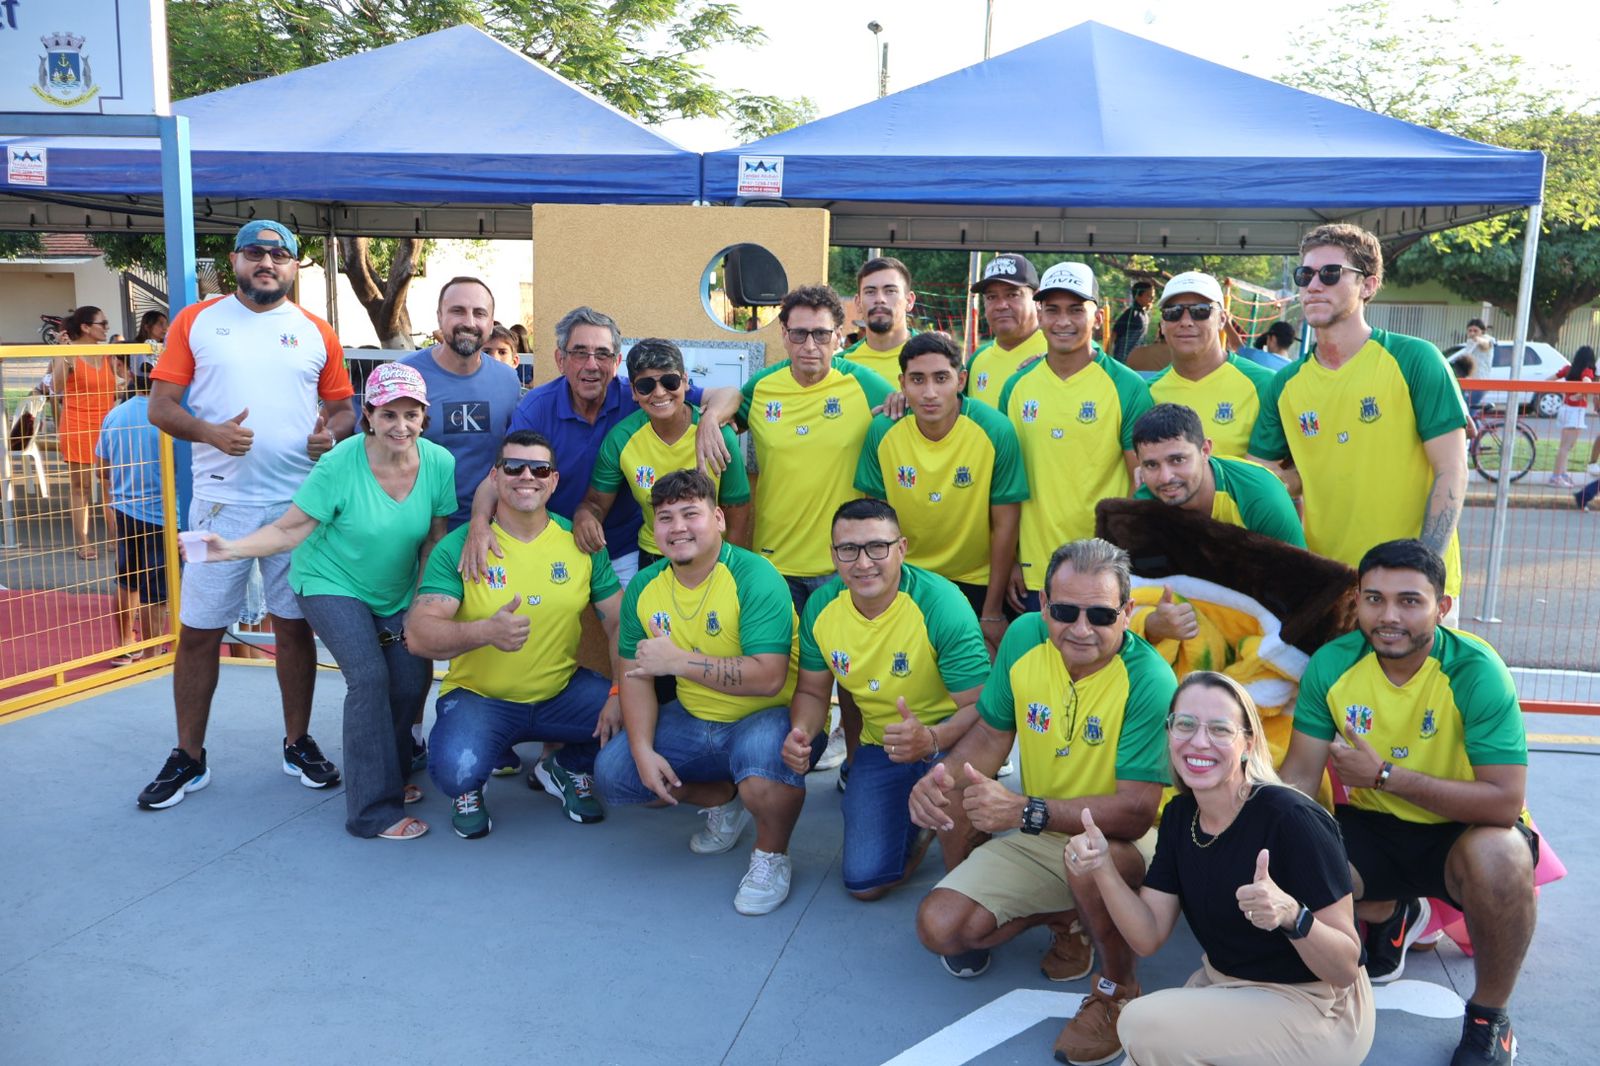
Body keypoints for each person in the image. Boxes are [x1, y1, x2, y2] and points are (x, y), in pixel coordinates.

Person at [909, 538, 1175, 1066]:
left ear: (1127, 612)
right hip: (1042, 824)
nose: (1080, 628)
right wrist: (938, 781)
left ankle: (1118, 989)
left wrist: (1027, 810)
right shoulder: (1025, 639)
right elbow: (989, 735)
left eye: (1101, 613)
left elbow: (1135, 811)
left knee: (1086, 853)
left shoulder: (1150, 680)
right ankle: (1066, 918)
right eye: (1064, 610)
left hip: (1129, 843)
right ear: (1042, 605)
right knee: (942, 926)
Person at [1280, 539, 1536, 1066]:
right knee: (1294, 851)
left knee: (1504, 858)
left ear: (1441, 608)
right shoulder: (1333, 664)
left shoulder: (1475, 670)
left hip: (1462, 830)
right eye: (1374, 599)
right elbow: (1299, 780)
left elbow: (1504, 803)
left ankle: (1491, 1016)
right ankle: (1388, 909)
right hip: (1373, 827)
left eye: (1409, 601)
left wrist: (1386, 776)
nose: (1389, 616)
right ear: (1358, 601)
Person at [185, 363, 455, 840]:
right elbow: (290, 529)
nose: (400, 426)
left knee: (412, 676)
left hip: (396, 587)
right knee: (369, 677)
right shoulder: (337, 465)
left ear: (424, 417)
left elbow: (435, 538)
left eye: (411, 414)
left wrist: (422, 601)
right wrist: (231, 548)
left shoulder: (438, 462)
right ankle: (372, 811)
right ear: (368, 414)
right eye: (388, 414)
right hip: (330, 580)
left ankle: (388, 775)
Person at [140, 219, 357, 811]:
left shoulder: (316, 331)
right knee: (200, 631)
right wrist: (207, 431)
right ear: (235, 260)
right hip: (220, 504)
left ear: (293, 267)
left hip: (298, 504)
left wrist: (329, 437)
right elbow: (161, 405)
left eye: (280, 254)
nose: (268, 262)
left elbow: (343, 409)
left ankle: (297, 742)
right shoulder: (196, 320)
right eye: (256, 253)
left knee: (294, 627)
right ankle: (189, 755)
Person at [1068, 672, 1373, 1066]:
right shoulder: (1180, 816)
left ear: (1247, 743)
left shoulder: (1292, 819)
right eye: (1186, 725)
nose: (1199, 741)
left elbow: (1345, 967)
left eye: (1219, 729)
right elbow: (1147, 936)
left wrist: (1292, 916)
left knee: (1141, 1024)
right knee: (1146, 1051)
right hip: (1226, 985)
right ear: (1170, 732)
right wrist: (1103, 867)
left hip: (1317, 1005)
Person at [595, 469, 817, 915]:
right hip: (695, 718)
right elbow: (636, 674)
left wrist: (678, 662)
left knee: (763, 773)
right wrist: (641, 750)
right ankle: (722, 798)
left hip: (767, 715)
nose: (677, 527)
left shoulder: (755, 577)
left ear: (718, 517)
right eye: (665, 517)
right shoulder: (645, 585)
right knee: (616, 774)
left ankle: (771, 856)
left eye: (690, 514)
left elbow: (768, 677)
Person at [407, 431, 625, 837]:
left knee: (639, 709)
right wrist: (485, 631)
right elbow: (418, 635)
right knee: (455, 771)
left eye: (539, 468)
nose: (528, 476)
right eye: (514, 467)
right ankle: (470, 788)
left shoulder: (579, 543)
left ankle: (564, 766)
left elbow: (617, 621)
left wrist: (617, 694)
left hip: (560, 693)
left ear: (554, 480)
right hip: (480, 697)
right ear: (495, 476)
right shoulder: (462, 546)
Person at [1247, 223, 1470, 613]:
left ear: (1368, 285)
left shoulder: (1415, 359)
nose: (1314, 285)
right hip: (1330, 589)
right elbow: (1262, 487)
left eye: (1330, 274)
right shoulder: (1284, 384)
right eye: (1306, 275)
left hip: (1412, 592)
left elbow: (1451, 470)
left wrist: (1426, 572)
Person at [783, 499, 990, 899]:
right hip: (885, 747)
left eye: (877, 547)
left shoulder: (940, 604)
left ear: (902, 548)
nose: (863, 563)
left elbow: (982, 708)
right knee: (866, 884)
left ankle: (962, 822)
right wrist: (801, 732)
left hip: (954, 743)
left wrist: (931, 739)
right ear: (833, 555)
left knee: (962, 847)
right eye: (848, 550)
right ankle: (923, 827)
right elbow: (811, 689)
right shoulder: (822, 609)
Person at [499, 306, 727, 589]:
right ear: (560, 359)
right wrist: (478, 526)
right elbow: (505, 474)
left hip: (623, 546)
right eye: (580, 353)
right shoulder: (536, 409)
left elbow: (726, 394)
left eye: (603, 354)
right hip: (552, 538)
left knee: (630, 622)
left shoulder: (645, 393)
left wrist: (711, 419)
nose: (592, 364)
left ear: (616, 361)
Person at [855, 330, 1028, 650]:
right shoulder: (883, 431)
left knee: (975, 685)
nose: (930, 392)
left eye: (941, 378)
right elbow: (876, 526)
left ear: (961, 380)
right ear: (902, 383)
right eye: (918, 380)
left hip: (975, 580)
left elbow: (1006, 525)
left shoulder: (995, 430)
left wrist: (991, 612)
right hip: (907, 579)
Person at [1000, 262, 1153, 611]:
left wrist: (1129, 565)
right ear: (1039, 315)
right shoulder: (1016, 387)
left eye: (1075, 310)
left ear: (1097, 317)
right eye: (1052, 310)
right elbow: (1004, 487)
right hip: (1032, 572)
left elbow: (1141, 486)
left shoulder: (1127, 386)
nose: (1062, 321)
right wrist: (1009, 559)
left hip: (1102, 576)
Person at [576, 338, 751, 564]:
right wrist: (585, 516)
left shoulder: (717, 434)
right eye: (646, 386)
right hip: (654, 554)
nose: (659, 393)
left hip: (711, 555)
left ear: (685, 382)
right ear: (634, 392)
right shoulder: (621, 439)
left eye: (670, 381)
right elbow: (595, 504)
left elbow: (737, 508)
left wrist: (730, 567)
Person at [400, 277, 522, 529]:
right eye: (457, 311)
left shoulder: (508, 380)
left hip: (490, 525)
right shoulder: (406, 374)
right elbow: (373, 446)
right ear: (439, 316)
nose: (469, 322)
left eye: (479, 313)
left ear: (490, 322)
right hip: (415, 528)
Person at [1131, 403, 1304, 548]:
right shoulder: (1146, 500)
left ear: (1205, 450)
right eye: (1151, 465)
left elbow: (1301, 578)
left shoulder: (1262, 498)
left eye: (1177, 460)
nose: (1165, 477)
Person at [1147, 272, 1277, 459]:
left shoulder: (1264, 385)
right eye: (1173, 312)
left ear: (1222, 319)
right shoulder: (1148, 392)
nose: (1185, 322)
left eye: (1200, 311)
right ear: (1162, 325)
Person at [95, 371, 168, 666]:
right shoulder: (166, 416)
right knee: (157, 589)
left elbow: (102, 468)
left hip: (125, 508)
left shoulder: (115, 415)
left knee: (127, 581)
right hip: (161, 512)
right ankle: (153, 651)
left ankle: (126, 643)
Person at [49, 305, 126, 560]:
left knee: (109, 483)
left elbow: (122, 384)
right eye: (102, 324)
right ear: (85, 327)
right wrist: (63, 353)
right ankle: (83, 541)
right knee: (80, 486)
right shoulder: (71, 352)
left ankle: (115, 536)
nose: (106, 328)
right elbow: (58, 386)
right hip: (77, 425)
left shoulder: (107, 354)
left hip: (106, 427)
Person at [965, 253, 1045, 411]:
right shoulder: (977, 360)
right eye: (991, 297)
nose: (1001, 305)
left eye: (1012, 295)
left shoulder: (1058, 355)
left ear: (1037, 300)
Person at [837, 256, 919, 383]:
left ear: (909, 301)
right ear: (858, 303)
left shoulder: (938, 359)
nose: (879, 299)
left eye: (890, 291)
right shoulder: (840, 366)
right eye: (870, 292)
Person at [1549, 344, 1595, 488]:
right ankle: (1556, 476)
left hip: (1565, 408)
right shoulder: (1587, 371)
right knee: (1566, 446)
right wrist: (1580, 395)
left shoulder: (1569, 368)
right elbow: (1588, 384)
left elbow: (1550, 379)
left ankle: (1561, 473)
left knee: (1565, 445)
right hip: (1576, 410)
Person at [1110, 281, 1155, 363]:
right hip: (1123, 361)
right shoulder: (1131, 314)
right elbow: (1114, 334)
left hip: (1136, 360)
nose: (1152, 298)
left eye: (1153, 296)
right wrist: (1107, 356)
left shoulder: (1144, 314)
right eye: (1148, 296)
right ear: (1138, 296)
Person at [131, 309, 168, 376]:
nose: (165, 328)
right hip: (144, 385)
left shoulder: (164, 346)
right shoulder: (139, 347)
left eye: (166, 324)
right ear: (147, 327)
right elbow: (145, 366)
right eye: (160, 324)